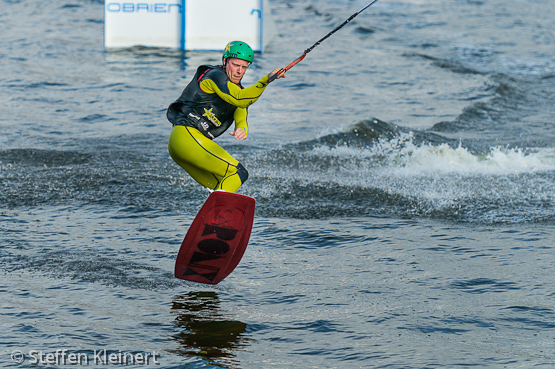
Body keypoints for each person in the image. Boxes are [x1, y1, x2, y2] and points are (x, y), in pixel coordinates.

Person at [167, 41, 285, 193]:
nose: (239, 71)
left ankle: (214, 216)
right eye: (235, 65)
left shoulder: (238, 90)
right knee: (238, 173)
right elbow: (239, 98)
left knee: (223, 185)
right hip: (186, 137)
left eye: (244, 67)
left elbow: (241, 113)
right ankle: (217, 214)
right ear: (225, 61)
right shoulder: (214, 76)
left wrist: (241, 128)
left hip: (184, 145)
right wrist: (266, 80)